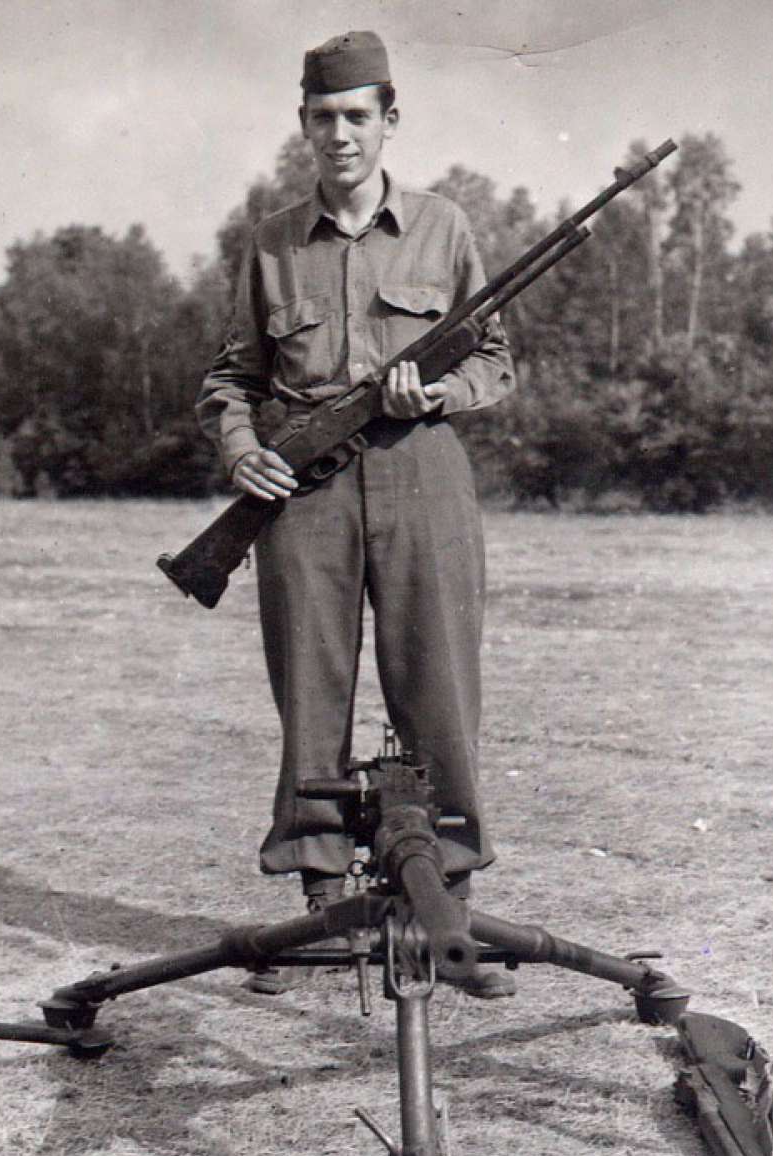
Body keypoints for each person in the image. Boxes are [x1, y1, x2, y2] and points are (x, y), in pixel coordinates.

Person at [195, 30, 517, 997]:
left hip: (423, 477)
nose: (340, 134)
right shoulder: (270, 242)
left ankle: (446, 905)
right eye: (323, 117)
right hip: (304, 490)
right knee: (310, 692)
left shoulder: (445, 229)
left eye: (358, 117)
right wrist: (245, 451)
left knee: (439, 690)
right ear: (303, 125)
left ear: (390, 123)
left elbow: (495, 362)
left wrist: (441, 398)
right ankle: (320, 901)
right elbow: (230, 379)